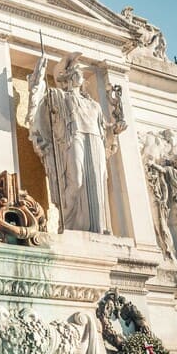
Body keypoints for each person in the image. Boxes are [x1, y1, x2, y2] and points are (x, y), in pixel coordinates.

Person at [27, 52, 111, 233]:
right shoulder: (58, 96)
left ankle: (97, 227)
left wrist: (115, 129)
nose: (78, 73)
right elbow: (38, 107)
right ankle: (68, 224)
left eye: (79, 71)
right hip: (72, 139)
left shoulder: (94, 105)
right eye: (74, 70)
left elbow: (105, 130)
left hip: (94, 141)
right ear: (66, 77)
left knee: (96, 183)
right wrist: (38, 80)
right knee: (76, 180)